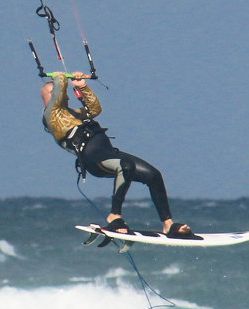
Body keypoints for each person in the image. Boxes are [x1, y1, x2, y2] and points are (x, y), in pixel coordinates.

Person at [41, 72, 194, 237]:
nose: (65, 97)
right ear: (50, 95)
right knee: (126, 166)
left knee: (154, 175)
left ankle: (168, 224)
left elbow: (94, 109)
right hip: (93, 159)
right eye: (59, 93)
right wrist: (60, 77)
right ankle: (114, 216)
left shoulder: (74, 113)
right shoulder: (51, 115)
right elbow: (59, 90)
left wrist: (82, 87)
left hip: (109, 152)